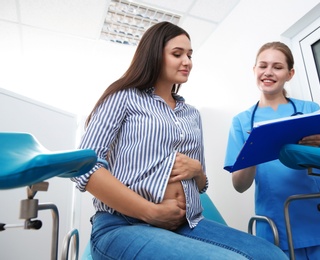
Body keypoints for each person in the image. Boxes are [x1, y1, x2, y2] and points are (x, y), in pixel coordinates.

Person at [71, 22, 287, 260]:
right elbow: (84, 167)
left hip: (188, 223)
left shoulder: (191, 114)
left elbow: (201, 185)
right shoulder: (122, 98)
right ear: (154, 55)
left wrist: (197, 171)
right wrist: (151, 212)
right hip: (123, 225)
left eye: (190, 55)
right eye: (177, 54)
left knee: (272, 255)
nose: (187, 61)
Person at [224, 41, 320, 259]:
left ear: (290, 74)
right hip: (284, 226)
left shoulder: (308, 110)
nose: (268, 72)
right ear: (254, 70)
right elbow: (239, 185)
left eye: (277, 67)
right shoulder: (242, 122)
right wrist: (253, 149)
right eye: (263, 66)